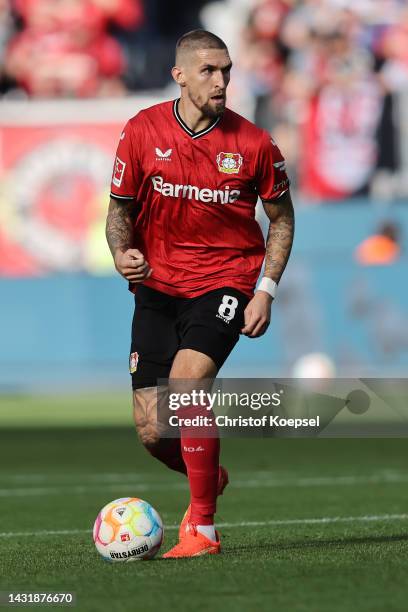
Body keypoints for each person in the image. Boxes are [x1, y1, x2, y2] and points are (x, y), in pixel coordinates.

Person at [105, 29, 294, 558]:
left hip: (225, 279)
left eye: (227, 70)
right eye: (209, 70)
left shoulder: (254, 143)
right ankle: (207, 473)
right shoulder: (141, 131)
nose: (221, 80)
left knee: (188, 384)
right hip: (158, 287)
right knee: (150, 429)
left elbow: (282, 219)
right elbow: (119, 211)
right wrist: (122, 253)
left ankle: (202, 530)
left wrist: (266, 289)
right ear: (180, 74)